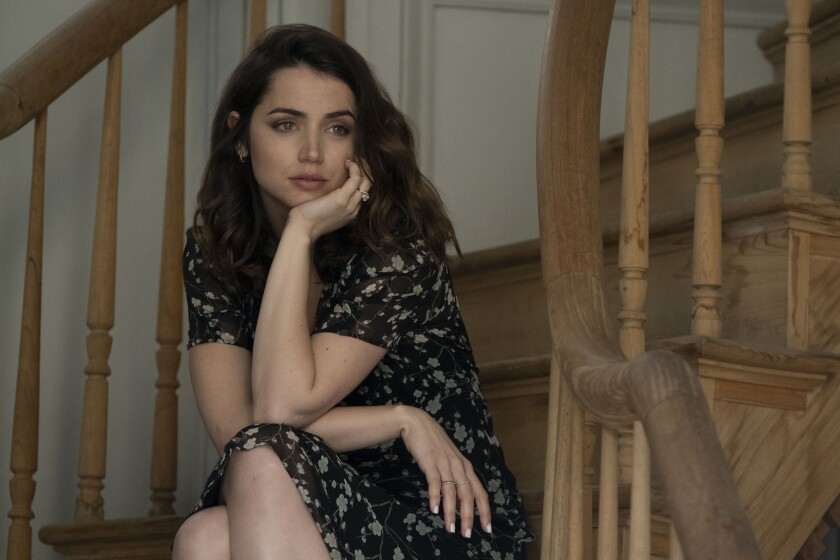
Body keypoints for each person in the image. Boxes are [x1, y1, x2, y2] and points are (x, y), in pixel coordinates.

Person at [172, 23, 532, 560]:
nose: (313, 152)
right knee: (203, 535)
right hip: (294, 498)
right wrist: (402, 418)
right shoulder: (215, 251)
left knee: (256, 468)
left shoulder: (395, 251)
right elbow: (238, 432)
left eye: (337, 129)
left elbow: (273, 414)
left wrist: (297, 230)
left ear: (360, 143)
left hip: (438, 514)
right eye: (286, 124)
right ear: (241, 134)